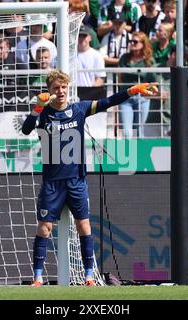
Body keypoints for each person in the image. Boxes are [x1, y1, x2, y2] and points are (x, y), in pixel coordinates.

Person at [21, 70, 158, 286]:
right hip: (52, 183)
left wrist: (132, 91)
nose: (61, 91)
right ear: (49, 90)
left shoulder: (79, 109)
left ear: (68, 89)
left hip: (76, 180)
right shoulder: (44, 113)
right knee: (44, 228)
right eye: (56, 88)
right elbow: (26, 129)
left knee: (84, 226)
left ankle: (88, 276)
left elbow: (108, 101)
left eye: (64, 87)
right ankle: (37, 277)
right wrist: (37, 107)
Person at [118, 31, 158, 138]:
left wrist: (148, 92)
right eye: (130, 41)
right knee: (127, 132)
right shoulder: (124, 58)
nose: (131, 43)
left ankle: (139, 154)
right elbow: (120, 77)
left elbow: (154, 81)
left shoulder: (149, 60)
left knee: (139, 131)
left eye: (135, 42)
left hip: (142, 99)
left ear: (143, 44)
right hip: (126, 97)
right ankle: (129, 154)